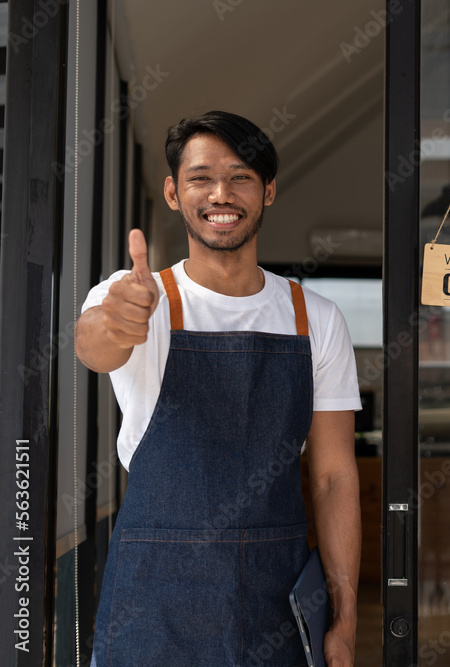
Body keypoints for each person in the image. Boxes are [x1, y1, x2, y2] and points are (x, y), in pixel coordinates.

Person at [75, 110, 361, 666]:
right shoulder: (135, 296)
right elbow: (94, 345)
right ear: (174, 192)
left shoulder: (315, 318)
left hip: (276, 596)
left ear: (269, 191)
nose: (220, 194)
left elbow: (332, 477)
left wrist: (345, 617)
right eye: (201, 177)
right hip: (153, 598)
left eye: (241, 176)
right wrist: (117, 323)